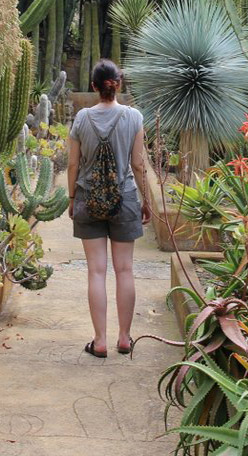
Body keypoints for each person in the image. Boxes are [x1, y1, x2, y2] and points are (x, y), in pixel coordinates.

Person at [67, 58, 152, 358]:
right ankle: (125, 338)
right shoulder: (134, 117)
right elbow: (138, 164)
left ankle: (99, 340)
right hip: (125, 198)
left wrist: (71, 198)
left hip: (88, 198)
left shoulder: (81, 119)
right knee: (125, 269)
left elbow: (74, 163)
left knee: (96, 272)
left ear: (93, 86)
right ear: (118, 85)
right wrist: (147, 201)